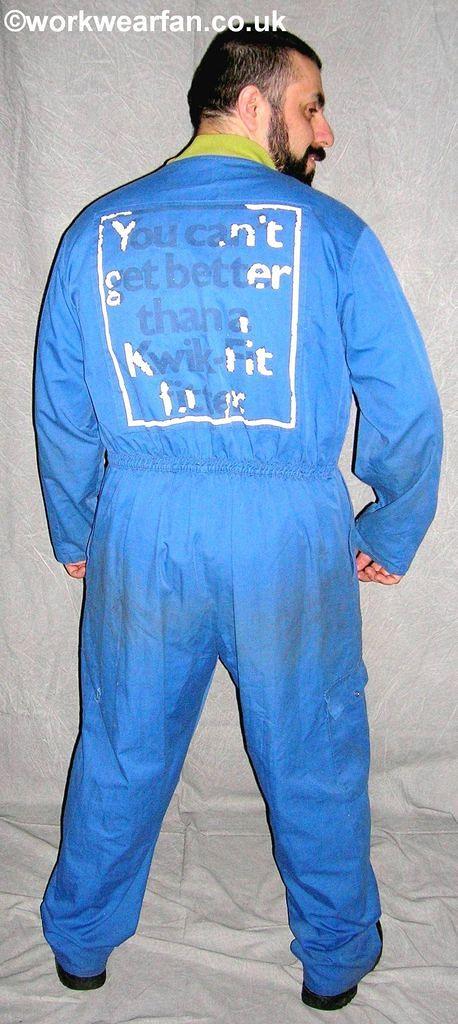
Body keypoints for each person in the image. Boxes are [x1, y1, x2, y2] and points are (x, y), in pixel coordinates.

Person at [33, 24, 443, 1011]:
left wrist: (79, 527)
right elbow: (405, 409)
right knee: (312, 751)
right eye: (311, 106)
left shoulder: (96, 232)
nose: (325, 132)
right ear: (253, 104)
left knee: (123, 745)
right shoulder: (331, 235)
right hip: (284, 537)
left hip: (142, 526)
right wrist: (390, 525)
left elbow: (62, 409)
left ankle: (81, 944)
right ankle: (333, 962)